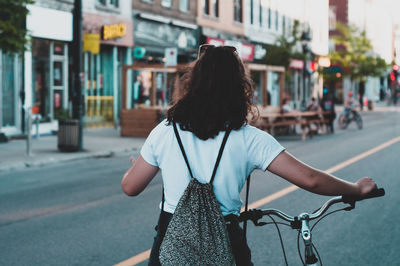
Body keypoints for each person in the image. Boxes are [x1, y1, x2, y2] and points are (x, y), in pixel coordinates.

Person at [121, 46, 377, 266]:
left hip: (171, 243)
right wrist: (355, 188)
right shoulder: (248, 138)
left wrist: (133, 169)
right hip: (227, 240)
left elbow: (130, 187)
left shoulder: (165, 131)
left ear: (193, 82)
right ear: (239, 86)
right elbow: (311, 179)